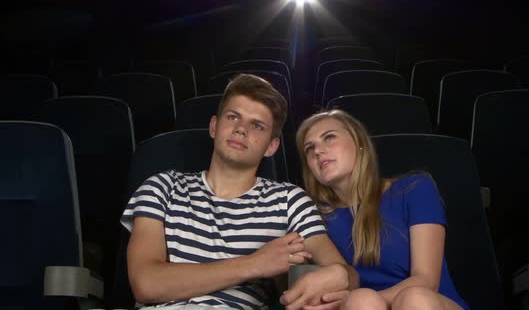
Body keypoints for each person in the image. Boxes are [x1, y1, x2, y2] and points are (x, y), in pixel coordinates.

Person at [121, 75, 359, 310]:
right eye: (233, 117)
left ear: (271, 146)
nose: (241, 130)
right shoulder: (162, 186)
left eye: (257, 125)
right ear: (214, 126)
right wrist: (256, 264)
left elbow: (343, 275)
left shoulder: (290, 201)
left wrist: (339, 276)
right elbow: (146, 283)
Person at [295, 109, 469, 310]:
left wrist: (363, 301)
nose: (318, 151)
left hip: (428, 302)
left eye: (329, 138)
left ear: (359, 143)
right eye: (310, 148)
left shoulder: (414, 189)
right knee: (362, 301)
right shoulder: (313, 217)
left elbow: (426, 279)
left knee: (412, 299)